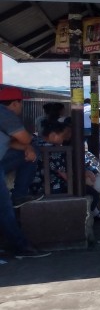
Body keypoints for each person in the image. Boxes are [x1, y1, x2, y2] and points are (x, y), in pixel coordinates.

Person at [0, 86, 48, 258]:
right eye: (21, 104)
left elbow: (11, 144)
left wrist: (28, 147)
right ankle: (22, 246)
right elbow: (25, 138)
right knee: (4, 209)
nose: (21, 108)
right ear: (14, 104)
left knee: (30, 153)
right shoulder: (5, 114)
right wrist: (29, 145)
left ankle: (19, 196)